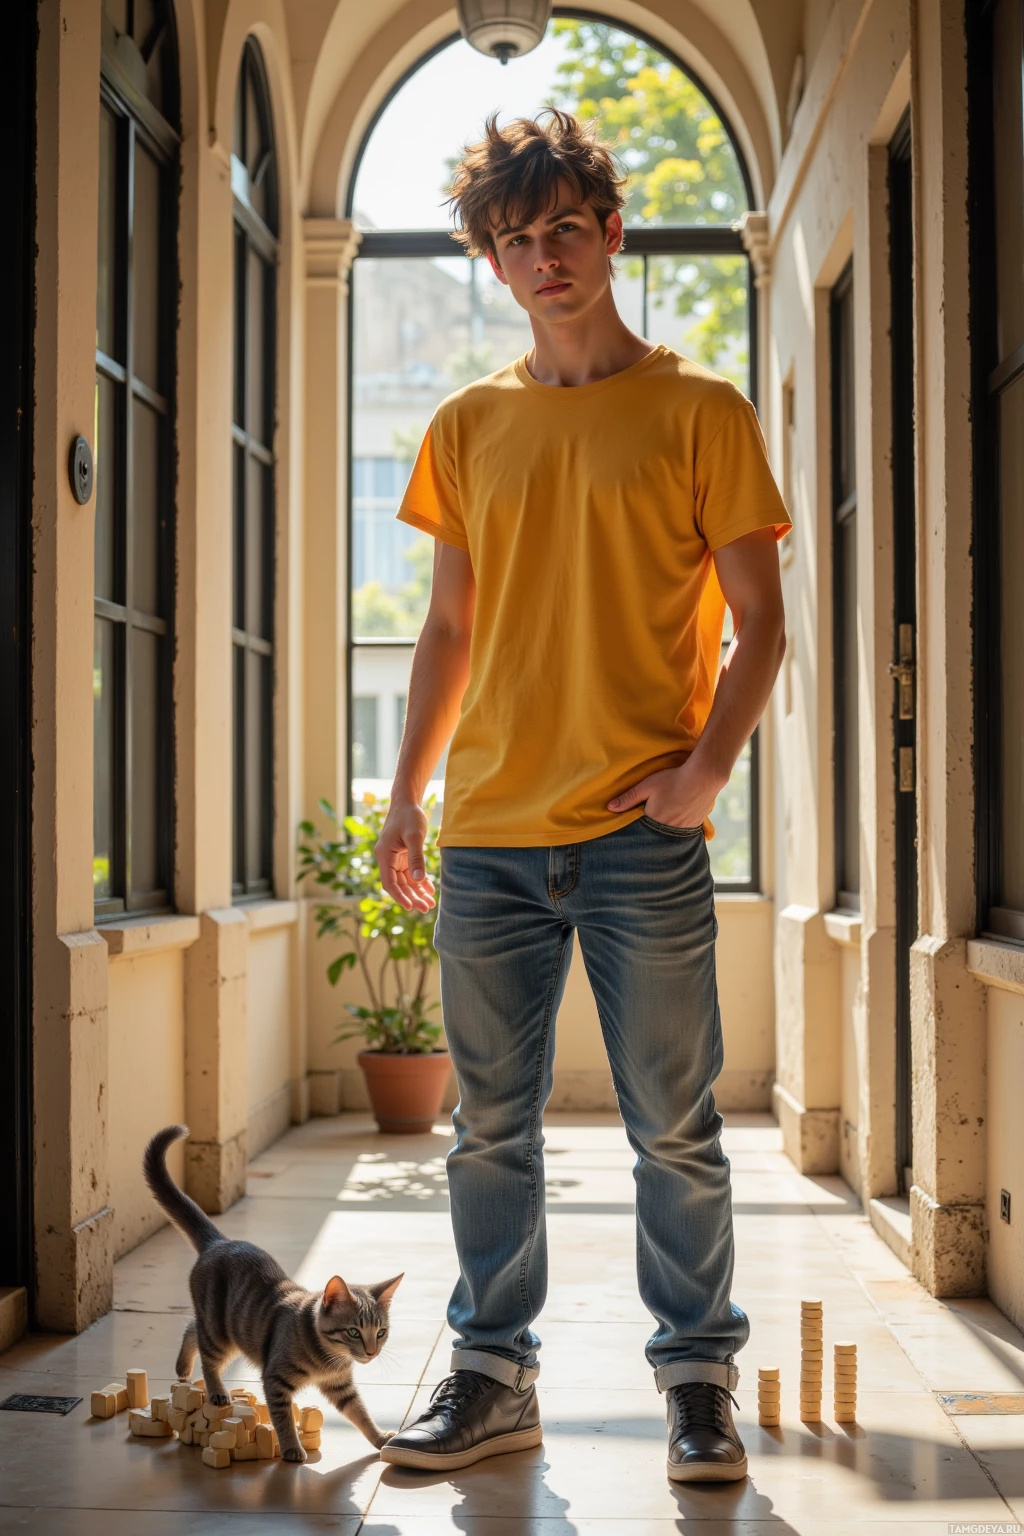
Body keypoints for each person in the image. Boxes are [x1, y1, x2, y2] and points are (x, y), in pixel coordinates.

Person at [375, 109, 790, 1483]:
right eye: (511, 239)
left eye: (562, 228)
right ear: (493, 265)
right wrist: (405, 798)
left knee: (673, 1123)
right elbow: (446, 631)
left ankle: (696, 1385)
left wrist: (705, 770)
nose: (539, 256)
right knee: (489, 1125)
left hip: (638, 837)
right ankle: (493, 1375)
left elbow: (759, 622)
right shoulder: (467, 424)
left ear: (609, 235)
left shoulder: (699, 411)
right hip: (490, 836)